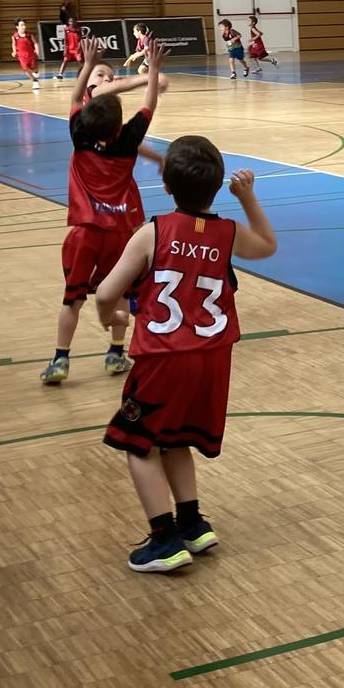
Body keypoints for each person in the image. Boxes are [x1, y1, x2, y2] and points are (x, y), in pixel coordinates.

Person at [98, 142, 278, 573]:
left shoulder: (153, 231)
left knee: (137, 443)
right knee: (174, 437)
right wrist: (248, 197)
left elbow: (106, 291)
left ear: (165, 184)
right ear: (218, 187)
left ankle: (163, 540)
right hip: (213, 358)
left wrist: (112, 317)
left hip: (164, 358)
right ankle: (192, 523)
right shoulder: (228, 233)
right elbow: (268, 246)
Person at [42, 46, 164, 385]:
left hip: (84, 233)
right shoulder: (127, 140)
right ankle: (114, 353)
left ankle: (60, 360)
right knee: (121, 293)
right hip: (122, 236)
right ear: (120, 125)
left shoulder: (79, 135)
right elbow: (149, 104)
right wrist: (152, 69)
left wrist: (89, 64)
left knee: (72, 301)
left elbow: (75, 96)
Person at [12, 18, 42, 89]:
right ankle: (35, 81)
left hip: (31, 55)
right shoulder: (15, 36)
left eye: (24, 25)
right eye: (22, 25)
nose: (24, 27)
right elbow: (13, 44)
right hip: (21, 56)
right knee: (25, 69)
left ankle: (36, 72)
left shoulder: (29, 35)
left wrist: (37, 49)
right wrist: (14, 51)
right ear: (17, 27)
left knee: (34, 69)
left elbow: (35, 43)